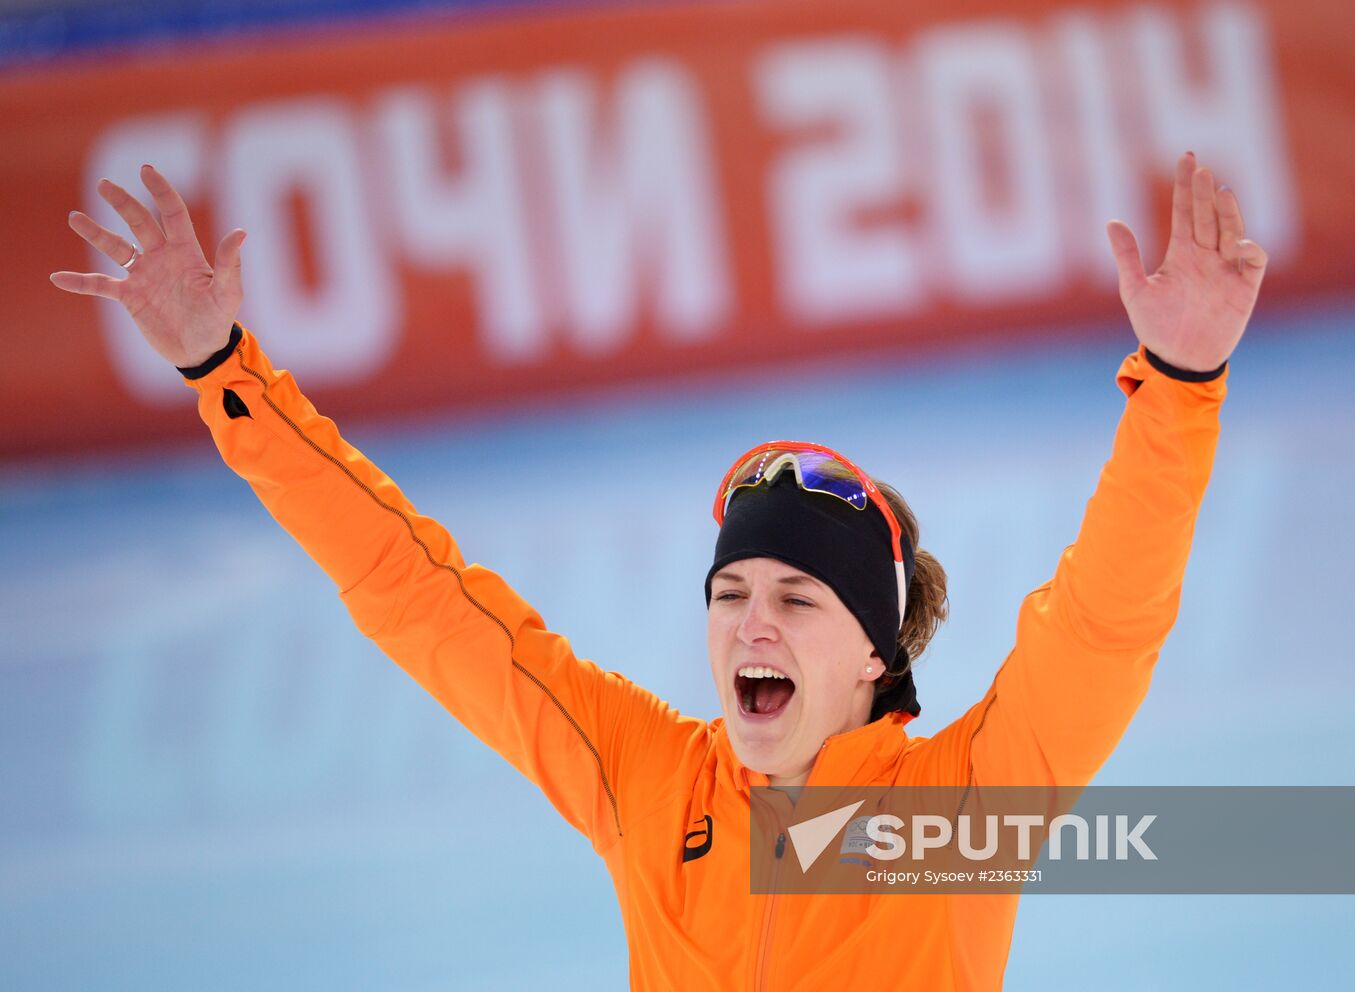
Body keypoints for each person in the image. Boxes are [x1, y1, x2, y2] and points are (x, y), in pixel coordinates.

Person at [51, 151, 1267, 989]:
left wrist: (1180, 387)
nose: (752, 623)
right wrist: (225, 369)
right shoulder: (645, 777)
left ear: (874, 656)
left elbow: (1103, 620)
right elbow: (414, 591)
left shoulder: (963, 805)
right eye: (731, 592)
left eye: (797, 597)